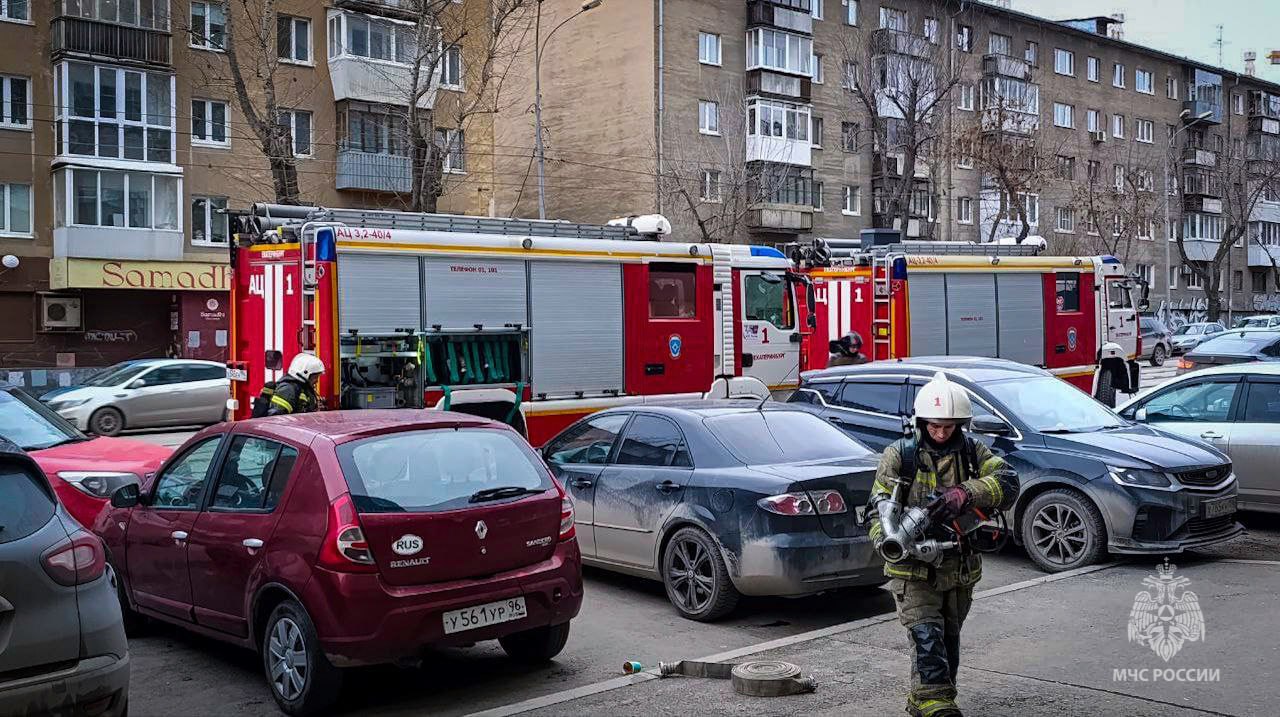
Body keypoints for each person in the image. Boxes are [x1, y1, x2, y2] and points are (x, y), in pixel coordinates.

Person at [868, 372, 1020, 717]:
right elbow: (875, 511)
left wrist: (966, 493)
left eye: (948, 427)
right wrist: (889, 542)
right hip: (912, 571)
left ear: (960, 425)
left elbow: (1008, 481)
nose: (940, 433)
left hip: (960, 569)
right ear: (921, 422)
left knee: (948, 639)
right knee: (926, 635)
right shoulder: (900, 456)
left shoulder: (973, 453)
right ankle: (936, 703)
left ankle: (927, 699)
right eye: (934, 426)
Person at [254, 353, 324, 417]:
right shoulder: (288, 390)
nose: (316, 381)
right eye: (315, 377)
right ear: (305, 373)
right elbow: (276, 419)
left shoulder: (302, 388)